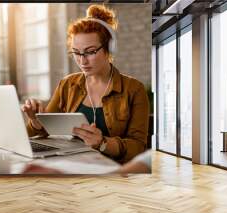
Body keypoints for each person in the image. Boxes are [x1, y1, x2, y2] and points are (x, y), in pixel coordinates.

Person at [21, 4, 149, 164]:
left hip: (114, 173)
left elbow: (138, 147)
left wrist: (103, 144)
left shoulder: (134, 89)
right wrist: (35, 121)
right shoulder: (67, 84)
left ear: (109, 48)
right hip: (72, 166)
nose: (82, 61)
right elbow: (44, 131)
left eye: (90, 52)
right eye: (76, 52)